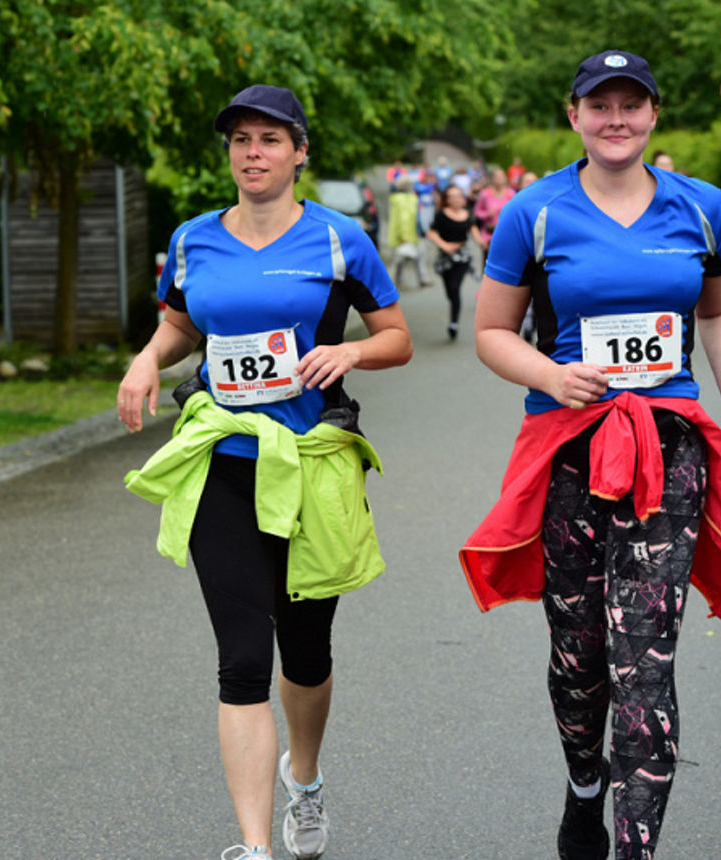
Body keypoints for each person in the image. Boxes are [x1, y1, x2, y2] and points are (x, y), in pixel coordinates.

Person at [460, 50, 721, 860]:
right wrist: (550, 374)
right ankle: (583, 782)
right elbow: (492, 333)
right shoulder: (536, 213)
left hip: (669, 454)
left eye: (633, 104)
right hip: (570, 452)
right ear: (575, 116)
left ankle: (634, 848)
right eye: (600, 105)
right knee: (581, 659)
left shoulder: (701, 209)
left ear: (654, 116)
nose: (616, 119)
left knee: (646, 660)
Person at [116, 84, 413, 860]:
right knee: (242, 658)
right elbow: (179, 322)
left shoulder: (342, 239)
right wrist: (147, 360)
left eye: (271, 140)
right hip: (224, 459)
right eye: (241, 140)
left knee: (305, 651)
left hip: (312, 465)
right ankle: (253, 848)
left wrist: (349, 350)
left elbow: (396, 337)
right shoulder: (193, 240)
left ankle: (304, 782)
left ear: (300, 152)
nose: (254, 153)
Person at [426, 184, 483, 341]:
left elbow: (476, 235)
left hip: (462, 256)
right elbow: (431, 233)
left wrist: (486, 244)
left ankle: (453, 322)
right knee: (450, 291)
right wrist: (445, 246)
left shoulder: (468, 215)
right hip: (445, 258)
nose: (456, 199)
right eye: (452, 196)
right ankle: (453, 309)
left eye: (459, 196)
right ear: (447, 200)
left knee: (455, 286)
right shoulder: (442, 215)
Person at [387, 173, 426, 287]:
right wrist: (405, 236)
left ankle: (397, 281)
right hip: (407, 234)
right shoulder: (408, 199)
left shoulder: (395, 198)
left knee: (399, 259)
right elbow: (405, 219)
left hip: (396, 234)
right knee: (403, 259)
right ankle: (420, 279)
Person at [473, 166, 514, 258]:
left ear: (505, 179)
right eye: (496, 177)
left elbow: (515, 213)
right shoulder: (485, 194)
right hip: (488, 234)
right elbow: (476, 212)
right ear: (492, 179)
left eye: (501, 177)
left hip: (505, 234)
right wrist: (487, 214)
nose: (499, 180)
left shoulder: (511, 194)